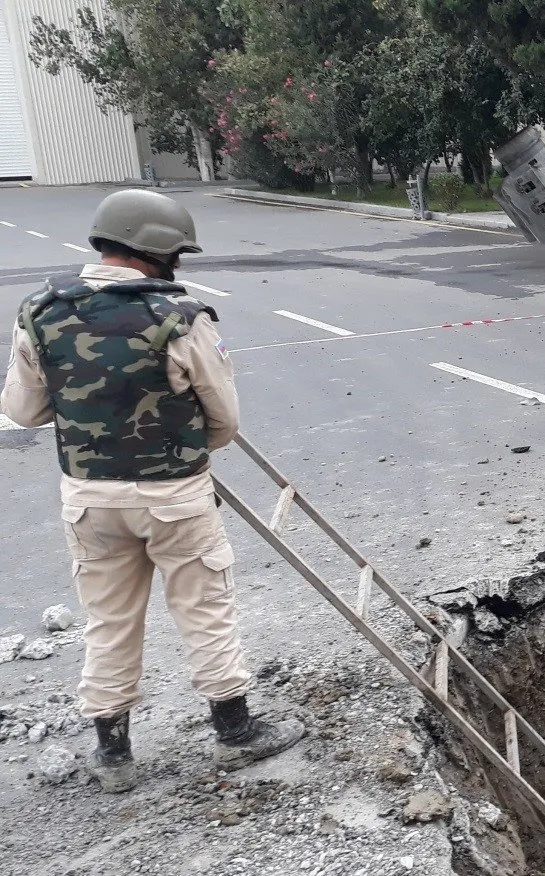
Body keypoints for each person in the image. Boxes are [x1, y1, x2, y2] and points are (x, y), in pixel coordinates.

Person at [1, 189, 303, 793]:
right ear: (155, 251)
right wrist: (184, 448)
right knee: (204, 609)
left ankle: (113, 754)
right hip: (174, 495)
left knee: (107, 620)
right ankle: (235, 732)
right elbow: (225, 421)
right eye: (176, 255)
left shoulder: (40, 312)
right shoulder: (180, 319)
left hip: (89, 498)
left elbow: (23, 410)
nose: (180, 267)